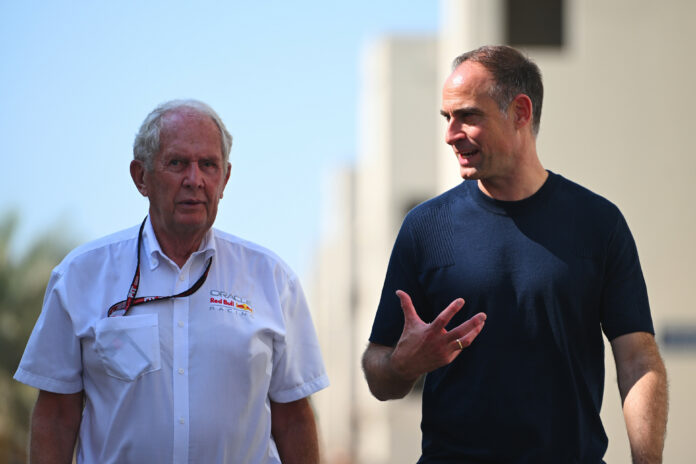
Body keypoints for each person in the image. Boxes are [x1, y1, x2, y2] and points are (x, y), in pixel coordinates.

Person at [362, 46, 668, 463]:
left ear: (520, 112)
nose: (451, 134)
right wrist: (404, 365)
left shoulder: (598, 224)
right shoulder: (426, 228)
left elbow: (637, 360)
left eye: (468, 116)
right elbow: (378, 372)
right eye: (447, 117)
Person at [15, 100, 329, 464]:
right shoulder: (81, 275)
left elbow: (294, 419)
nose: (194, 180)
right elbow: (55, 416)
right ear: (141, 177)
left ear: (225, 179)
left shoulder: (272, 279)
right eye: (177, 163)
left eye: (208, 165)